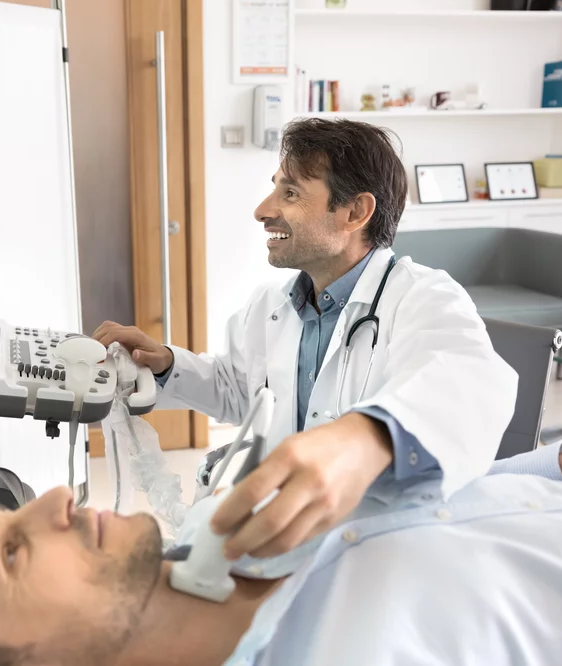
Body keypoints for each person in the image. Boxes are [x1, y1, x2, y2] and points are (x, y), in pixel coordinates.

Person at [94, 118, 519, 562]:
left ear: (355, 212)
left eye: (290, 193)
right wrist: (163, 362)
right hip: (285, 540)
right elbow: (240, 390)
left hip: (374, 549)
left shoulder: (423, 297)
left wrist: (366, 438)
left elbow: (465, 384)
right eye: (274, 188)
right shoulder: (273, 304)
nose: (263, 209)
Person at [0, 447, 562, 666]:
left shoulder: (222, 514)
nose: (57, 501)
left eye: (11, 512)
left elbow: (442, 489)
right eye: (13, 554)